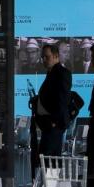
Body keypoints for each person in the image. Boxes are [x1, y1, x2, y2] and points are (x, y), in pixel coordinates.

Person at [33, 42, 72, 172]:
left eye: (47, 57)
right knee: (48, 161)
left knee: (48, 161)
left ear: (56, 56)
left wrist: (54, 122)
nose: (44, 60)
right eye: (43, 57)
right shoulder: (51, 73)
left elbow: (62, 100)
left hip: (53, 126)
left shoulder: (61, 73)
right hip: (49, 125)